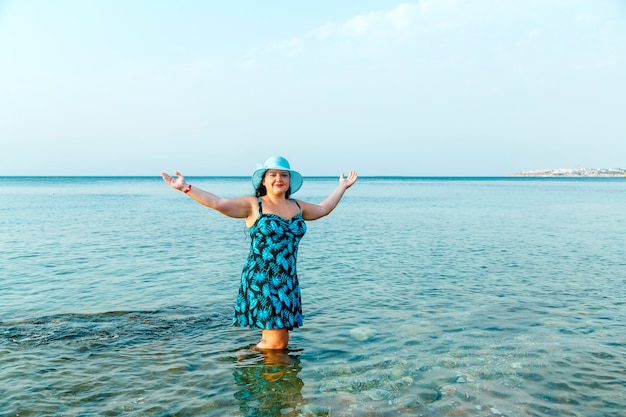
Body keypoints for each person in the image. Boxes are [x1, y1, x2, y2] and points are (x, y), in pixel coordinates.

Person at [161, 156, 358, 350]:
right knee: (278, 342)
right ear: (264, 180)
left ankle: (251, 364)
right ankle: (253, 365)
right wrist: (185, 187)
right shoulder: (254, 205)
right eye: (272, 174)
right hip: (262, 279)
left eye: (283, 175)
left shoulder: (298, 206)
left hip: (287, 280)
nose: (278, 179)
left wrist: (342, 186)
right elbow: (217, 203)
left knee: (278, 341)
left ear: (289, 181)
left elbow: (323, 209)